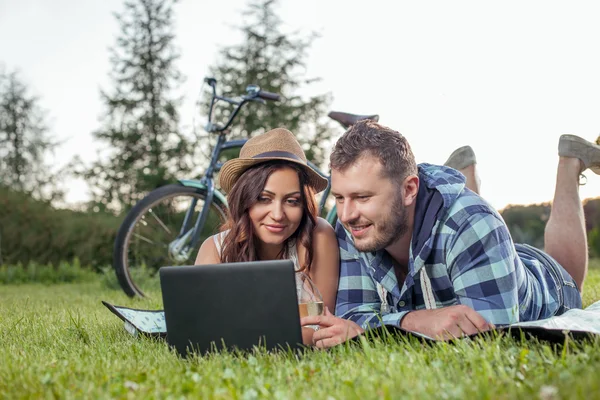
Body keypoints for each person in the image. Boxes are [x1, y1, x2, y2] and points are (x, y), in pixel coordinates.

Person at [301, 119, 599, 347]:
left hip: (543, 280)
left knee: (569, 274)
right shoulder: (353, 225)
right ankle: (466, 173)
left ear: (409, 189)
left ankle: (570, 163)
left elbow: (487, 331)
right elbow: (352, 315)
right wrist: (412, 319)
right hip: (478, 254)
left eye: (362, 197)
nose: (346, 214)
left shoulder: (473, 222)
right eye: (340, 198)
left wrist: (383, 326)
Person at [195, 127, 339, 345]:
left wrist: (241, 334)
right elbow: (199, 326)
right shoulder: (214, 249)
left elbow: (323, 326)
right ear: (244, 199)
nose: (278, 215)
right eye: (264, 198)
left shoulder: (317, 237)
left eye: (292, 201)